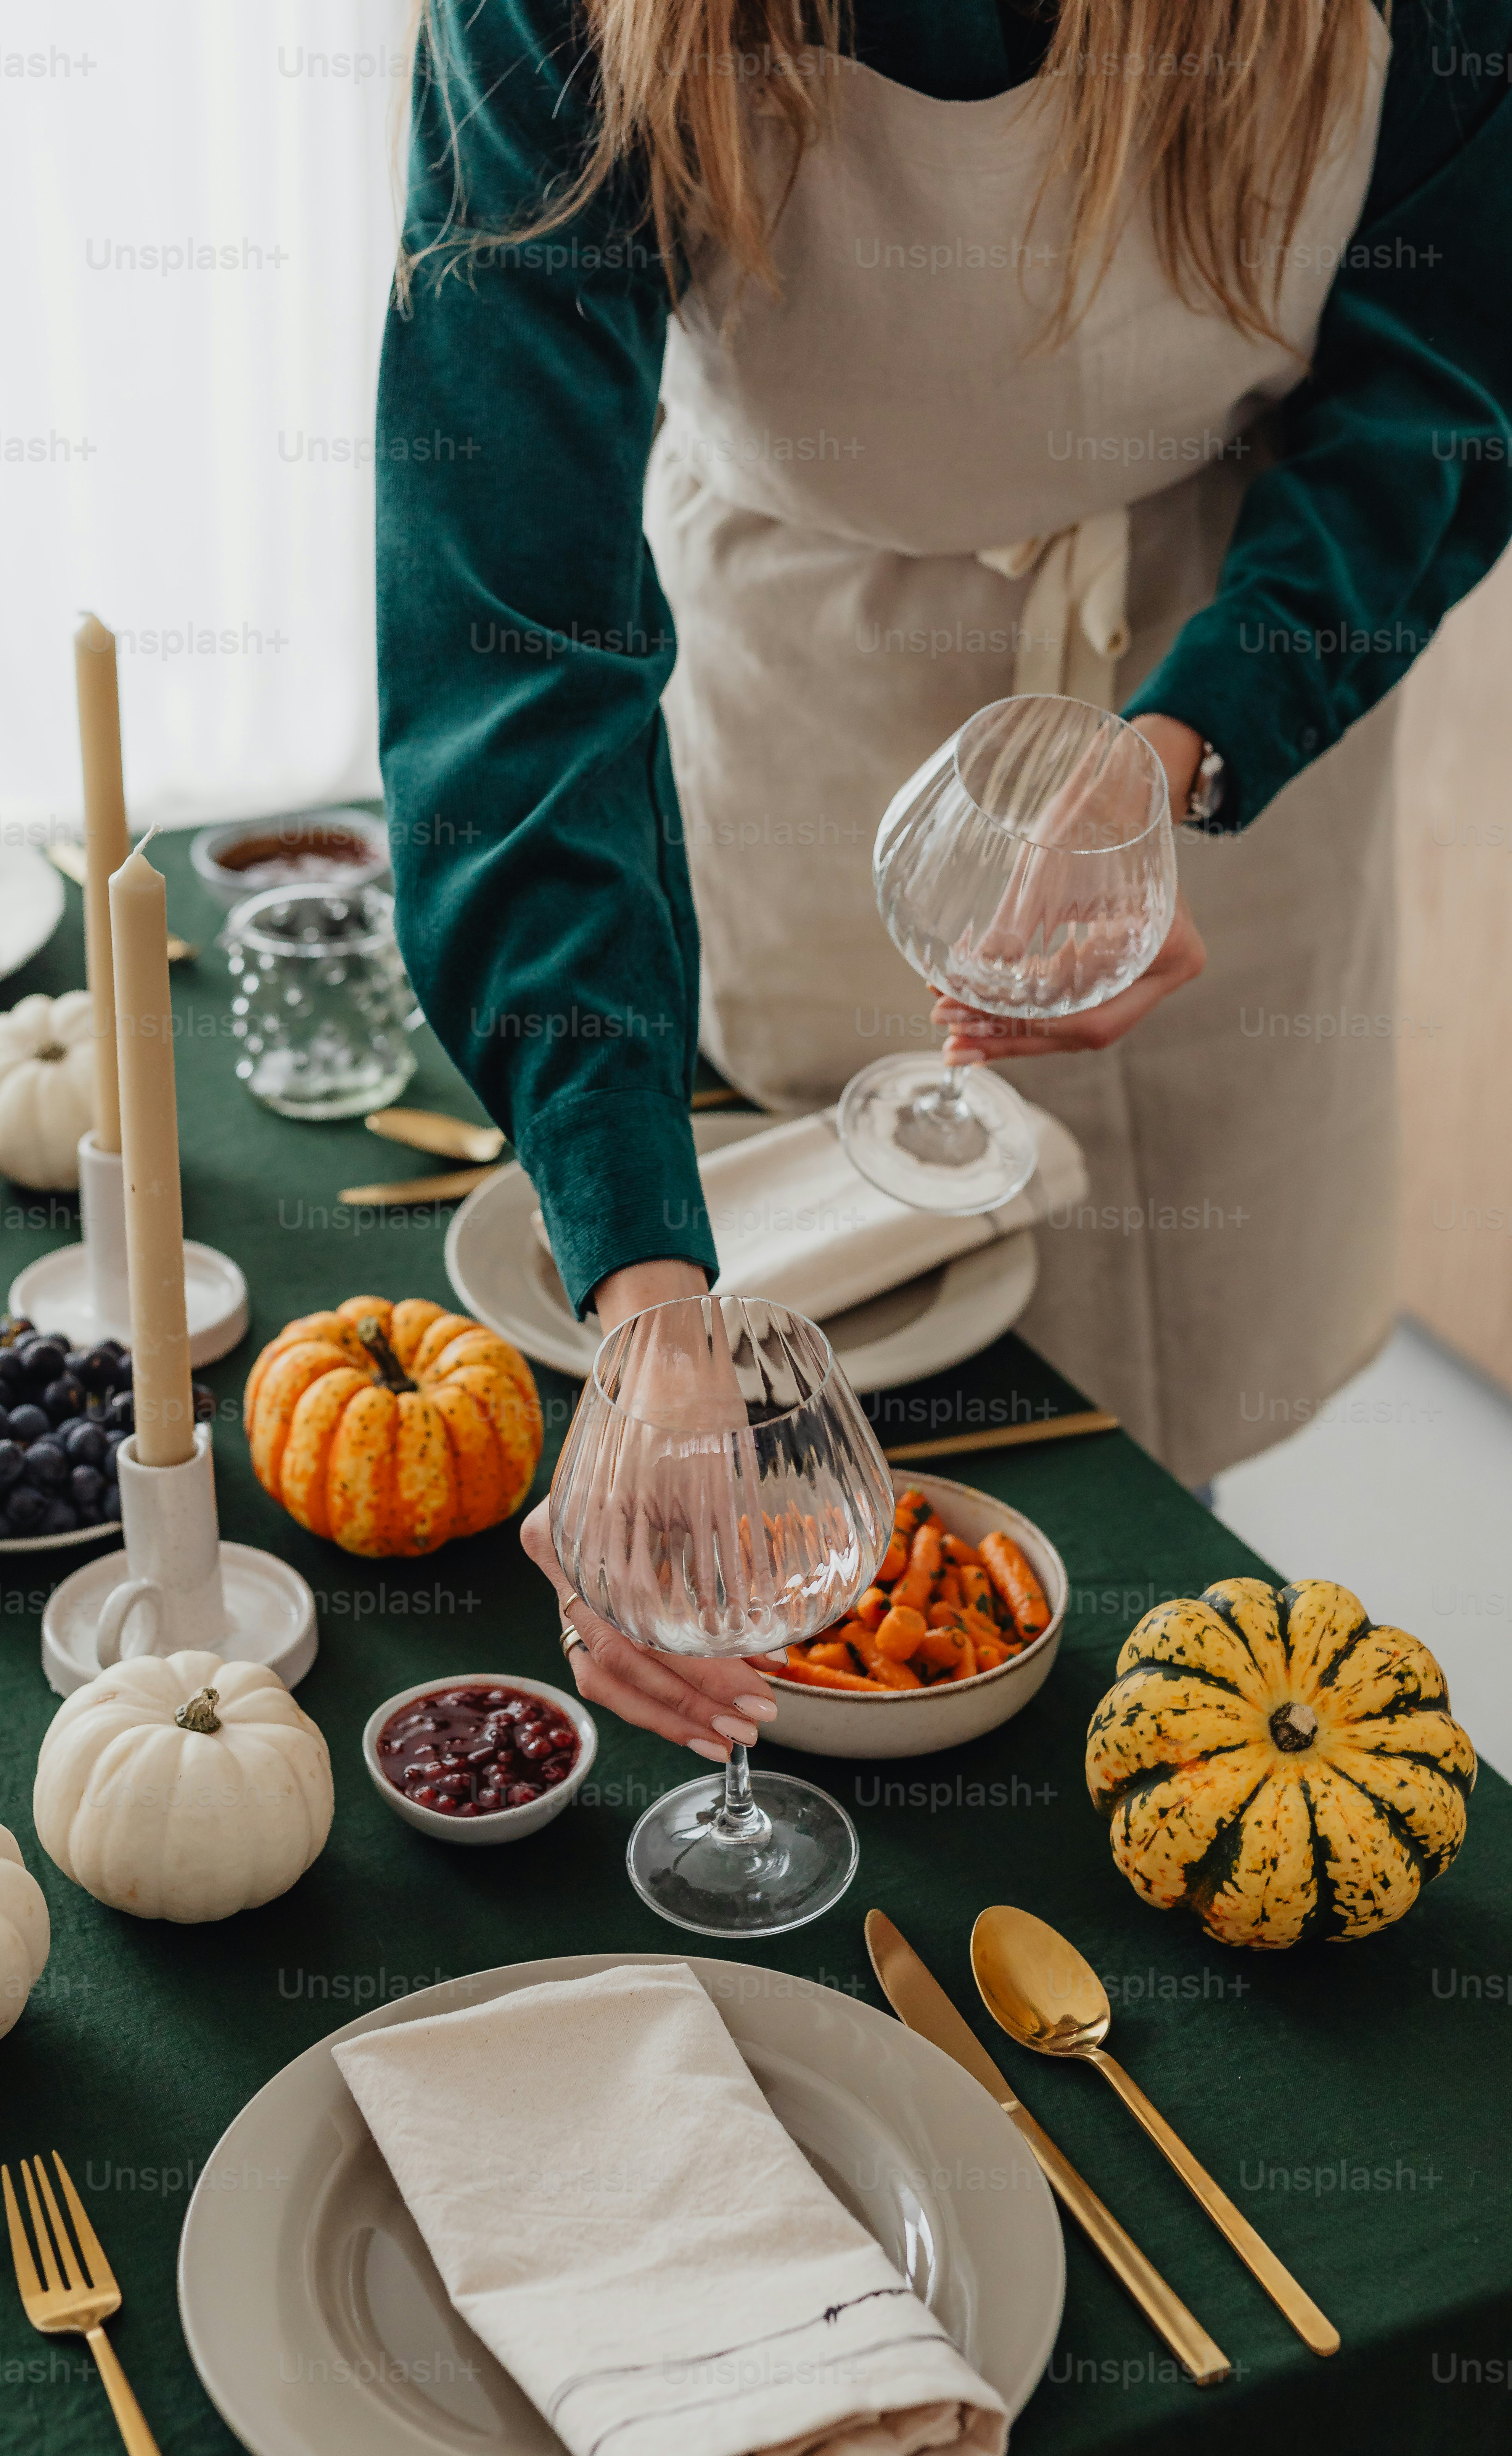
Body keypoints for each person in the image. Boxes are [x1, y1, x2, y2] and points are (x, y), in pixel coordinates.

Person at [377, 0, 1512, 1757]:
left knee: (1148, 1479)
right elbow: (509, 622)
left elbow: (1444, 382)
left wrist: (1189, 743)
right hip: (805, 710)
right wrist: (647, 1297)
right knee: (852, 1412)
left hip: (1224, 678)